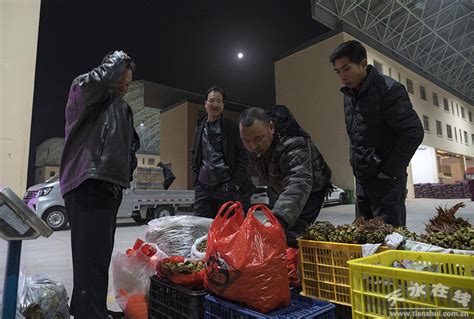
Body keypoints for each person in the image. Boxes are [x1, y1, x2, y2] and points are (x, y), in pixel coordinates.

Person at [59, 50, 140, 318]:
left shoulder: (121, 107)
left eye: (128, 84)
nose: (123, 87)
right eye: (120, 80)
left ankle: (90, 308)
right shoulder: (85, 89)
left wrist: (129, 164)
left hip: (109, 185)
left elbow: (127, 145)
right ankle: (89, 313)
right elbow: (98, 82)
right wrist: (118, 58)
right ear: (109, 71)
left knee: (97, 257)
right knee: (90, 258)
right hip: (89, 180)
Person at [330, 40, 424, 227]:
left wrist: (388, 171)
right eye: (338, 71)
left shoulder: (389, 90)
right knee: (363, 236)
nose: (342, 76)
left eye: (346, 69)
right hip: (363, 178)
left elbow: (413, 132)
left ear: (363, 64)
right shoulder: (350, 96)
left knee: (389, 240)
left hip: (386, 182)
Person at [239, 105, 332, 247]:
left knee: (292, 230)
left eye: (258, 138)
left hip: (310, 189)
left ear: (271, 127)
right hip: (278, 185)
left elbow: (298, 182)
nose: (252, 146)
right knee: (274, 230)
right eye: (246, 140)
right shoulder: (255, 143)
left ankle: (296, 264)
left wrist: (278, 219)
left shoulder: (294, 143)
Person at [191, 86, 255, 217]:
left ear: (223, 105)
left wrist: (235, 183)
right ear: (205, 104)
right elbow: (194, 155)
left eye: (219, 101)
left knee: (228, 229)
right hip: (202, 187)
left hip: (226, 187)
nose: (215, 104)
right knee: (201, 228)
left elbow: (244, 156)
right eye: (212, 100)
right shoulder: (199, 127)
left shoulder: (231, 127)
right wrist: (196, 181)